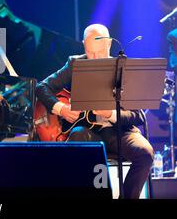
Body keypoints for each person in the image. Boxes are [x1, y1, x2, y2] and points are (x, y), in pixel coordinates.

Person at [35, 24, 154, 199]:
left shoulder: (124, 67)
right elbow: (42, 87)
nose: (95, 58)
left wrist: (110, 114)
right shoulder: (75, 63)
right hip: (88, 131)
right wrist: (61, 109)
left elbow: (137, 115)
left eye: (99, 52)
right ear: (84, 45)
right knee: (77, 137)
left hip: (119, 132)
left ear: (108, 45)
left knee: (145, 153)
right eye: (90, 52)